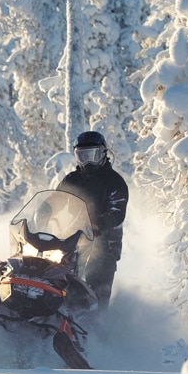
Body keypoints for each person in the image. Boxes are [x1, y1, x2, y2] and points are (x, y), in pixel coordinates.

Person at [57, 130, 128, 308]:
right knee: (57, 273)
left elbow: (117, 211)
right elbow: (55, 200)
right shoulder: (72, 179)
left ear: (103, 154)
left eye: (93, 155)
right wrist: (41, 214)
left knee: (98, 284)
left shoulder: (114, 181)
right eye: (82, 156)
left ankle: (97, 326)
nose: (87, 161)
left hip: (105, 241)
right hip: (74, 238)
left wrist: (100, 223)